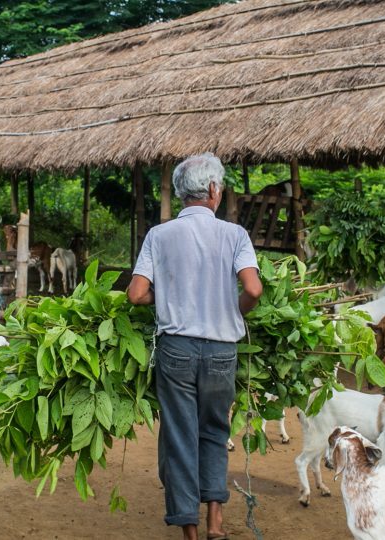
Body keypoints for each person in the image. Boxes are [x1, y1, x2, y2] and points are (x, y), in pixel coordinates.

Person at [128, 153, 262, 540]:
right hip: (222, 351)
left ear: (183, 193)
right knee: (215, 433)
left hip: (176, 352)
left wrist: (166, 296)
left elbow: (136, 294)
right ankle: (215, 522)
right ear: (215, 191)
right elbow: (253, 288)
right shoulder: (235, 235)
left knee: (179, 436)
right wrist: (233, 311)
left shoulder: (159, 234)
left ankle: (188, 530)